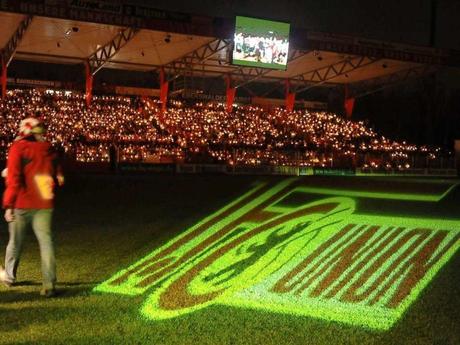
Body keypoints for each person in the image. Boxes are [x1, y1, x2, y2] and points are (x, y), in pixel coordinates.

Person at [1, 117, 64, 297]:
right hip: (44, 202)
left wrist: (8, 205)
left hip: (22, 203)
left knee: (15, 242)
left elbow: (13, 179)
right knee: (46, 243)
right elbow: (55, 166)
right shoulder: (49, 149)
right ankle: (49, 284)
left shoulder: (18, 148)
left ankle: (9, 277)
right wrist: (58, 175)